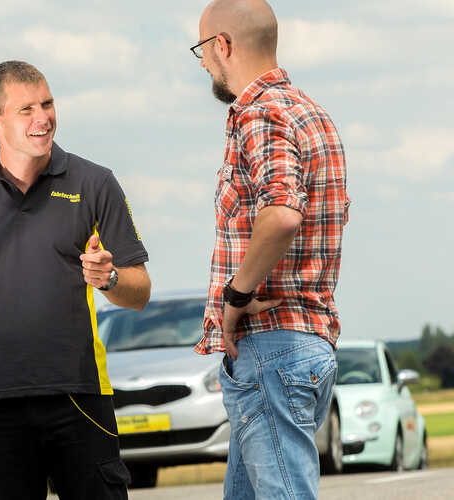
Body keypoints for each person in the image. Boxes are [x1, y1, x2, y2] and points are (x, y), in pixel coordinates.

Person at [0, 60, 152, 499]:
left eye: (47, 104)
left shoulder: (95, 182)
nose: (43, 118)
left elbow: (140, 291)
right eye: (26, 109)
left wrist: (109, 278)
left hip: (81, 393)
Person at [192, 1, 350, 498]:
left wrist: (235, 298)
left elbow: (281, 213)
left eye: (201, 49)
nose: (201, 64)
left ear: (224, 45)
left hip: (272, 347)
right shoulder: (312, 113)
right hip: (304, 343)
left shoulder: (258, 115)